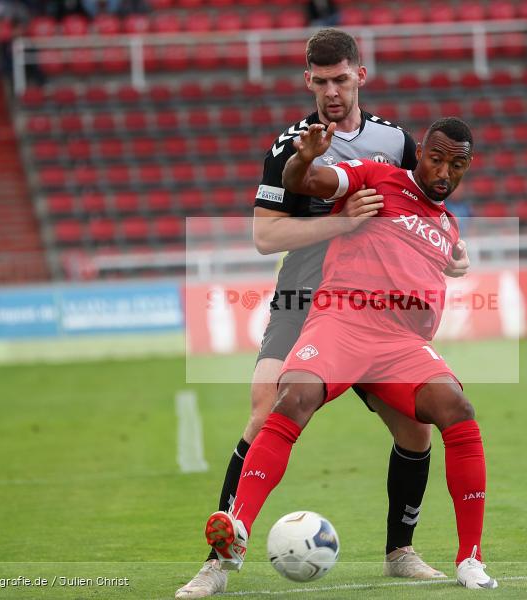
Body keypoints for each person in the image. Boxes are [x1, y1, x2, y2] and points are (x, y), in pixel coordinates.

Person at [175, 29, 469, 599]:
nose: (332, 91)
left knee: (415, 428)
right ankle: (219, 558)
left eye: (341, 79)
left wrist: (453, 249)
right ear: (307, 80)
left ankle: (400, 551)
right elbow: (265, 236)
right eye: (321, 81)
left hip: (376, 305)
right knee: (265, 408)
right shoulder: (291, 145)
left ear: (361, 74)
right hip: (303, 293)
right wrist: (346, 222)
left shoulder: (394, 140)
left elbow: (431, 195)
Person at [204, 117, 498, 590]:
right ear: (418, 153)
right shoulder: (379, 176)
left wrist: (457, 258)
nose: (443, 171)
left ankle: (470, 558)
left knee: (457, 411)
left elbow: (441, 260)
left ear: (468, 167)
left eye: (456, 164)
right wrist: (303, 158)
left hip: (401, 344)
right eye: (436, 158)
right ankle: (234, 535)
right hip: (342, 320)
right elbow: (311, 180)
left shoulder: (446, 223)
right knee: (291, 398)